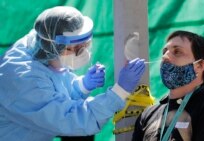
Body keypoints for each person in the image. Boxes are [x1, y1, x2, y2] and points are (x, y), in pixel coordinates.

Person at [0, 6, 146, 141]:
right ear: (52, 46)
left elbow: (53, 90)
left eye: (86, 45)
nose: (83, 52)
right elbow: (75, 121)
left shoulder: (41, 48)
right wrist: (120, 91)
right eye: (75, 48)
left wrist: (81, 86)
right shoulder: (22, 79)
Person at [132, 30, 204, 141]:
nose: (165, 57)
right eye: (164, 52)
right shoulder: (148, 115)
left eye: (177, 52)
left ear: (200, 65)